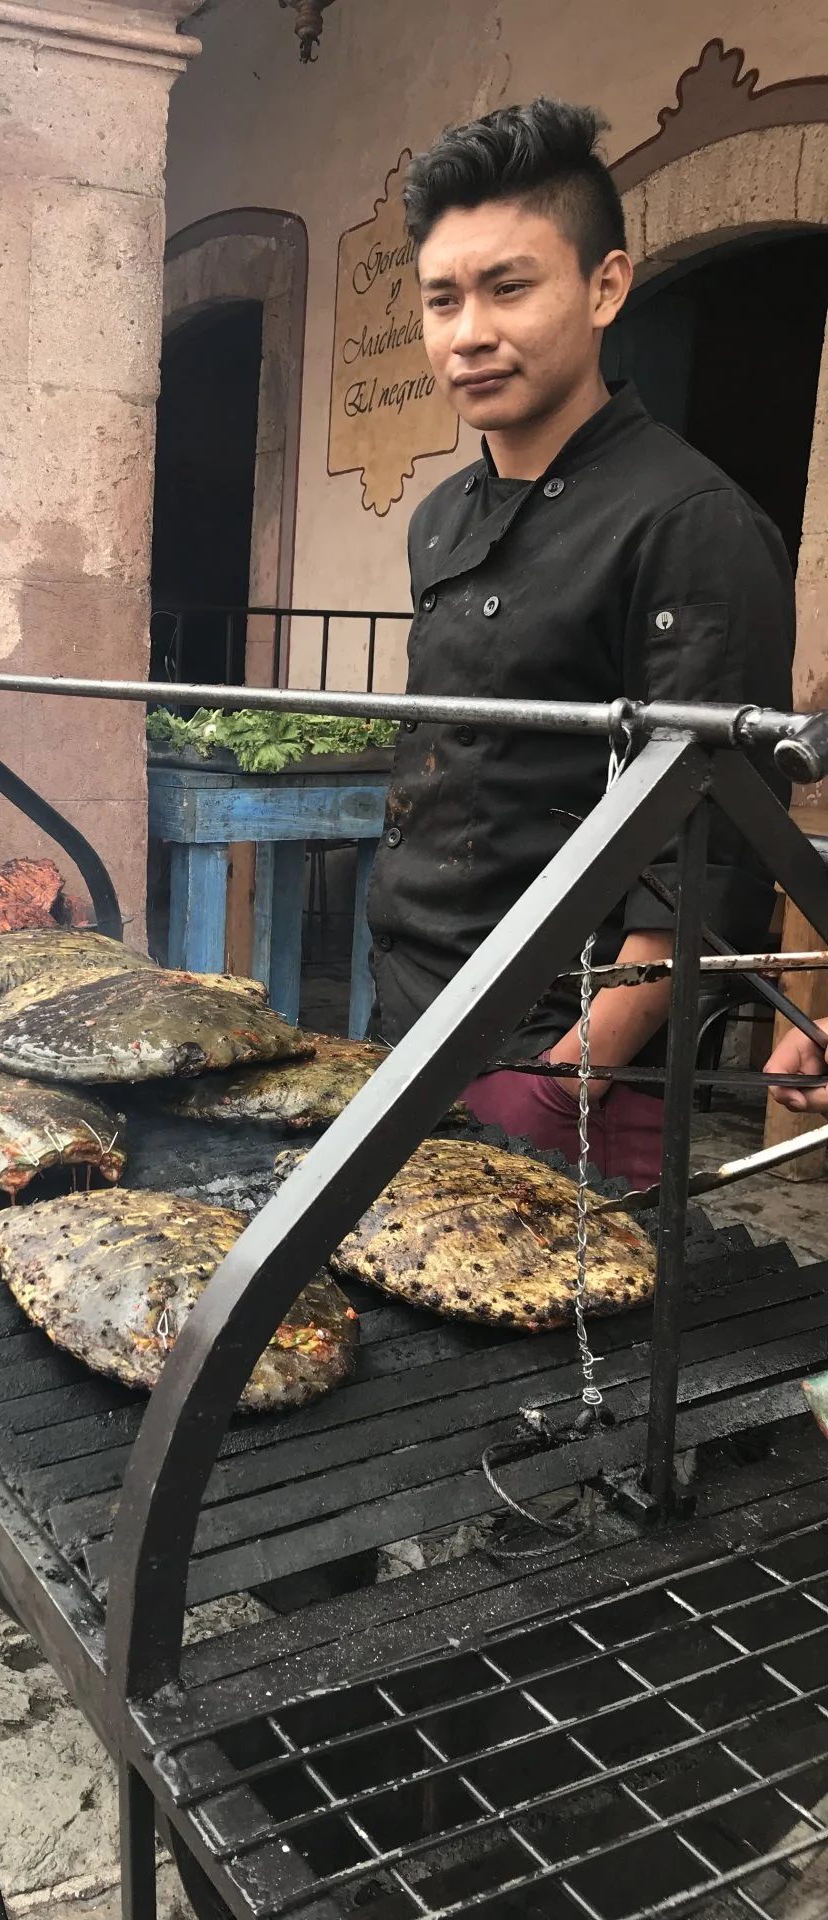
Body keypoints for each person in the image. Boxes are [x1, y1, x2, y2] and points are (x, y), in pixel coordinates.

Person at [367, 98, 795, 1183]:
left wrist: (567, 1077)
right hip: (404, 1016)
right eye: (443, 299)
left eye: (508, 288)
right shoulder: (441, 518)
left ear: (605, 287)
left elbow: (709, 846)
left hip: (557, 1059)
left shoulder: (689, 524)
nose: (469, 332)